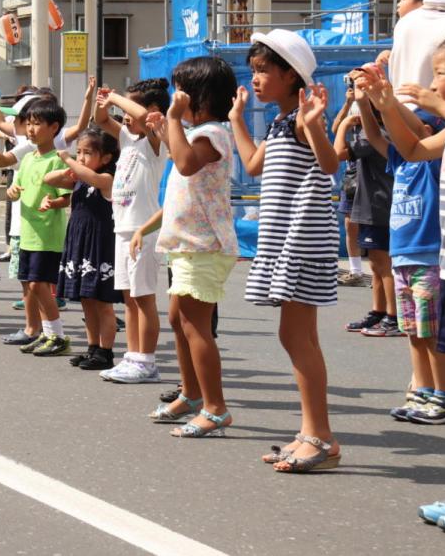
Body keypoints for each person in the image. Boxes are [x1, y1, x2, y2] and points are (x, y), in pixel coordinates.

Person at [367, 29, 445, 533]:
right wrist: (384, 101)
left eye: (441, 73)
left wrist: (436, 102)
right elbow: (412, 148)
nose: (431, 83)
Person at [233, 30, 341, 470]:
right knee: (298, 336)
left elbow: (331, 164)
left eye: (264, 71)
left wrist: (314, 123)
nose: (255, 78)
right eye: (254, 70)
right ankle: (310, 433)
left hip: (301, 240)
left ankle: (320, 437)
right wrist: (236, 119)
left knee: (297, 337)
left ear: (290, 75)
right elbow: (255, 166)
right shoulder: (281, 121)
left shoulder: (299, 119)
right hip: (285, 241)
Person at [354, 67, 445, 424]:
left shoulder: (433, 161)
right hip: (403, 256)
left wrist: (391, 102)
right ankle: (424, 390)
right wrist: (365, 104)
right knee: (413, 330)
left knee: (433, 330)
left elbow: (417, 130)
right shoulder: (401, 160)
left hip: (429, 255)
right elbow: (374, 135)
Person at [144, 56, 238, 439]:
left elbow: (184, 164)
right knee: (179, 320)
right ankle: (191, 394)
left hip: (204, 244)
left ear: (198, 96)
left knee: (197, 325)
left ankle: (215, 408)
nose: (175, 96)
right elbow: (182, 154)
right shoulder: (200, 132)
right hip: (188, 243)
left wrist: (170, 119)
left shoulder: (214, 133)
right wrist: (167, 129)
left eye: (181, 89)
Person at [91, 79, 170, 383]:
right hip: (122, 228)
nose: (124, 116)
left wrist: (115, 97)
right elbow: (100, 120)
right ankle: (133, 357)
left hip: (143, 229)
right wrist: (104, 101)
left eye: (129, 107)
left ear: (151, 111)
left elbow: (140, 116)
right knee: (129, 298)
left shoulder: (155, 141)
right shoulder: (127, 139)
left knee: (144, 298)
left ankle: (147, 361)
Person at [46, 127, 119, 369]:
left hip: (99, 244)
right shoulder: (80, 179)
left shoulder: (107, 179)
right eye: (78, 152)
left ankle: (106, 352)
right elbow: (49, 179)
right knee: (87, 298)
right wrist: (71, 168)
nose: (81, 157)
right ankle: (92, 347)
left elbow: (96, 180)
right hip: (79, 242)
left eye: (87, 153)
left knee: (102, 301)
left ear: (106, 157)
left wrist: (68, 159)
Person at [9, 99, 73, 356]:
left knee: (38, 285)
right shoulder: (27, 159)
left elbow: (68, 196)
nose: (31, 129)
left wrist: (53, 202)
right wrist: (13, 192)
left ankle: (57, 335)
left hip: (47, 233)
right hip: (27, 232)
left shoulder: (57, 160)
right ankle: (49, 334)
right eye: (29, 123)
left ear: (54, 127)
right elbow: (16, 190)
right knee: (31, 284)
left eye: (37, 124)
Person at [334, 89, 397, 335]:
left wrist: (345, 126)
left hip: (378, 204)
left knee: (383, 263)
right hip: (373, 203)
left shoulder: (374, 135)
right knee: (377, 263)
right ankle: (378, 312)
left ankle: (393, 317)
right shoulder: (378, 133)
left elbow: (337, 152)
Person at [330, 94, 367, 286]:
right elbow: (336, 128)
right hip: (353, 178)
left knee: (374, 226)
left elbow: (337, 154)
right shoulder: (352, 108)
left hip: (372, 176)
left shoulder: (376, 106)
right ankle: (355, 270)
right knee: (350, 225)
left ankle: (384, 269)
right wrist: (348, 102)